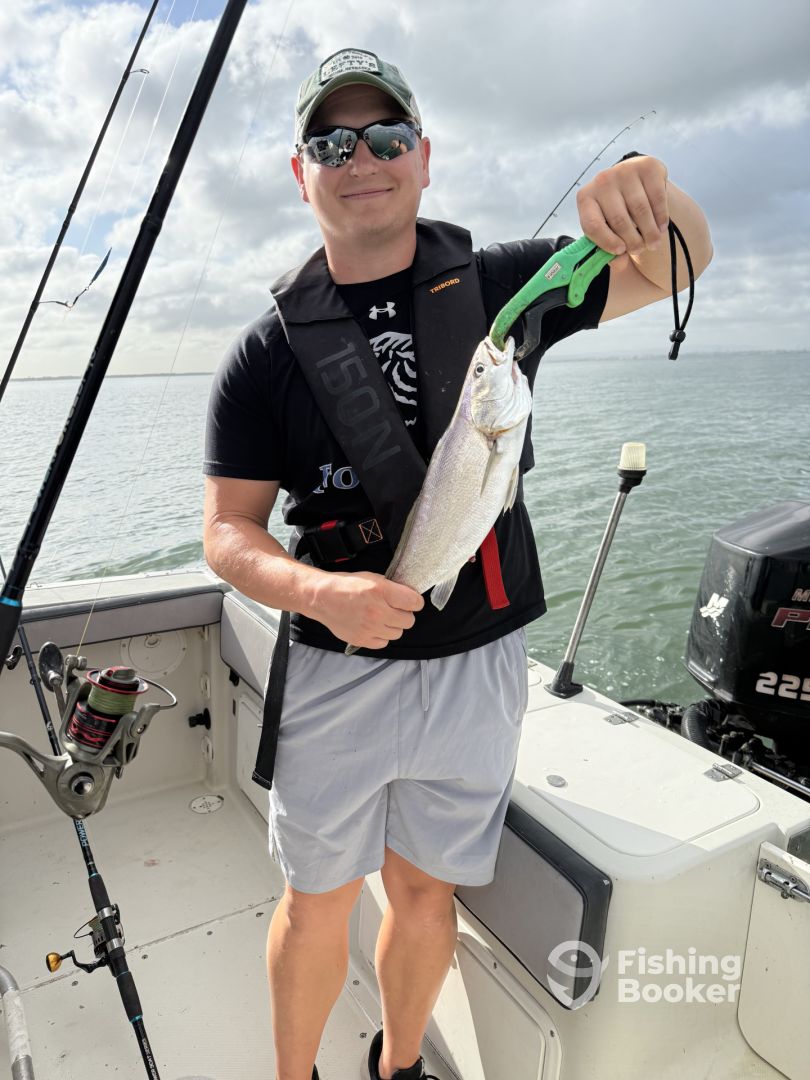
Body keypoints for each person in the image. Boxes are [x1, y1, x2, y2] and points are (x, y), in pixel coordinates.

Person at [202, 47, 712, 1080]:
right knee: (316, 900)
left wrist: (651, 194)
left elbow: (677, 263)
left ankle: (397, 1066)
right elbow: (228, 533)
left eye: (387, 137)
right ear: (301, 174)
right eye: (332, 144)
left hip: (478, 663)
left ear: (424, 157)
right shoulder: (262, 356)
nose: (363, 159)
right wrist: (320, 592)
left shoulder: (502, 290)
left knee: (425, 891)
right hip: (336, 667)